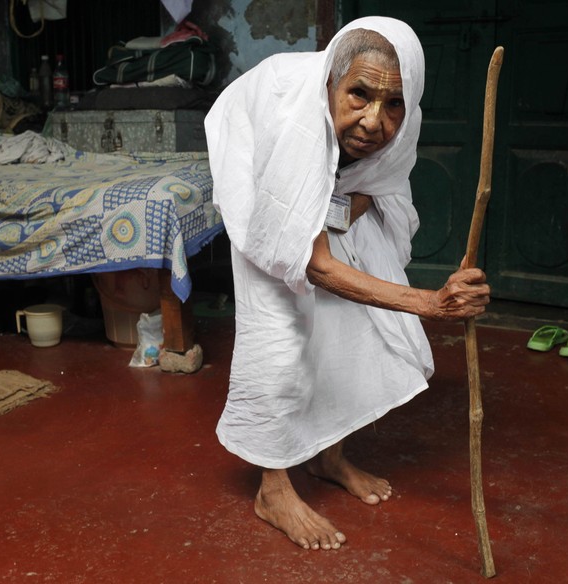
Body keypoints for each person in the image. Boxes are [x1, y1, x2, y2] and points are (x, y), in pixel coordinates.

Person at [204, 16, 490, 551]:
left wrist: (335, 215)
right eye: (358, 94)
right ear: (333, 84)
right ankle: (273, 487)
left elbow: (374, 183)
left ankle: (328, 456)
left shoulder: (399, 127)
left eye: (394, 105)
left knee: (351, 310)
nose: (374, 121)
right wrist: (430, 303)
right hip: (256, 153)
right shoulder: (294, 123)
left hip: (325, 178)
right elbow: (311, 265)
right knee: (282, 320)